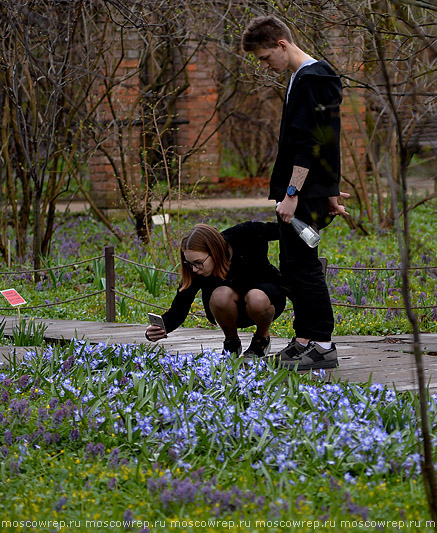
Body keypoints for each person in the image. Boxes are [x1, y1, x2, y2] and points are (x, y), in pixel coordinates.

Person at [241, 15, 348, 371]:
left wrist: (292, 193)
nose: (266, 65)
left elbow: (308, 144)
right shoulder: (305, 78)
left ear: (282, 44)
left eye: (266, 57)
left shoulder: (312, 79)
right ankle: (305, 339)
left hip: (300, 192)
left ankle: (321, 343)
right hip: (311, 189)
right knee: (293, 264)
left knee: (303, 266)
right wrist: (329, 190)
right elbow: (327, 139)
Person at [144, 222, 285, 358]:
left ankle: (261, 339)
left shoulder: (244, 235)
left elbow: (286, 231)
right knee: (220, 295)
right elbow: (181, 305)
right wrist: (161, 328)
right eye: (189, 264)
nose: (194, 269)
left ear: (214, 251)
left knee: (256, 297)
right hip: (230, 311)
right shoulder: (196, 270)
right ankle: (231, 342)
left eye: (199, 263)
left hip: (265, 302)